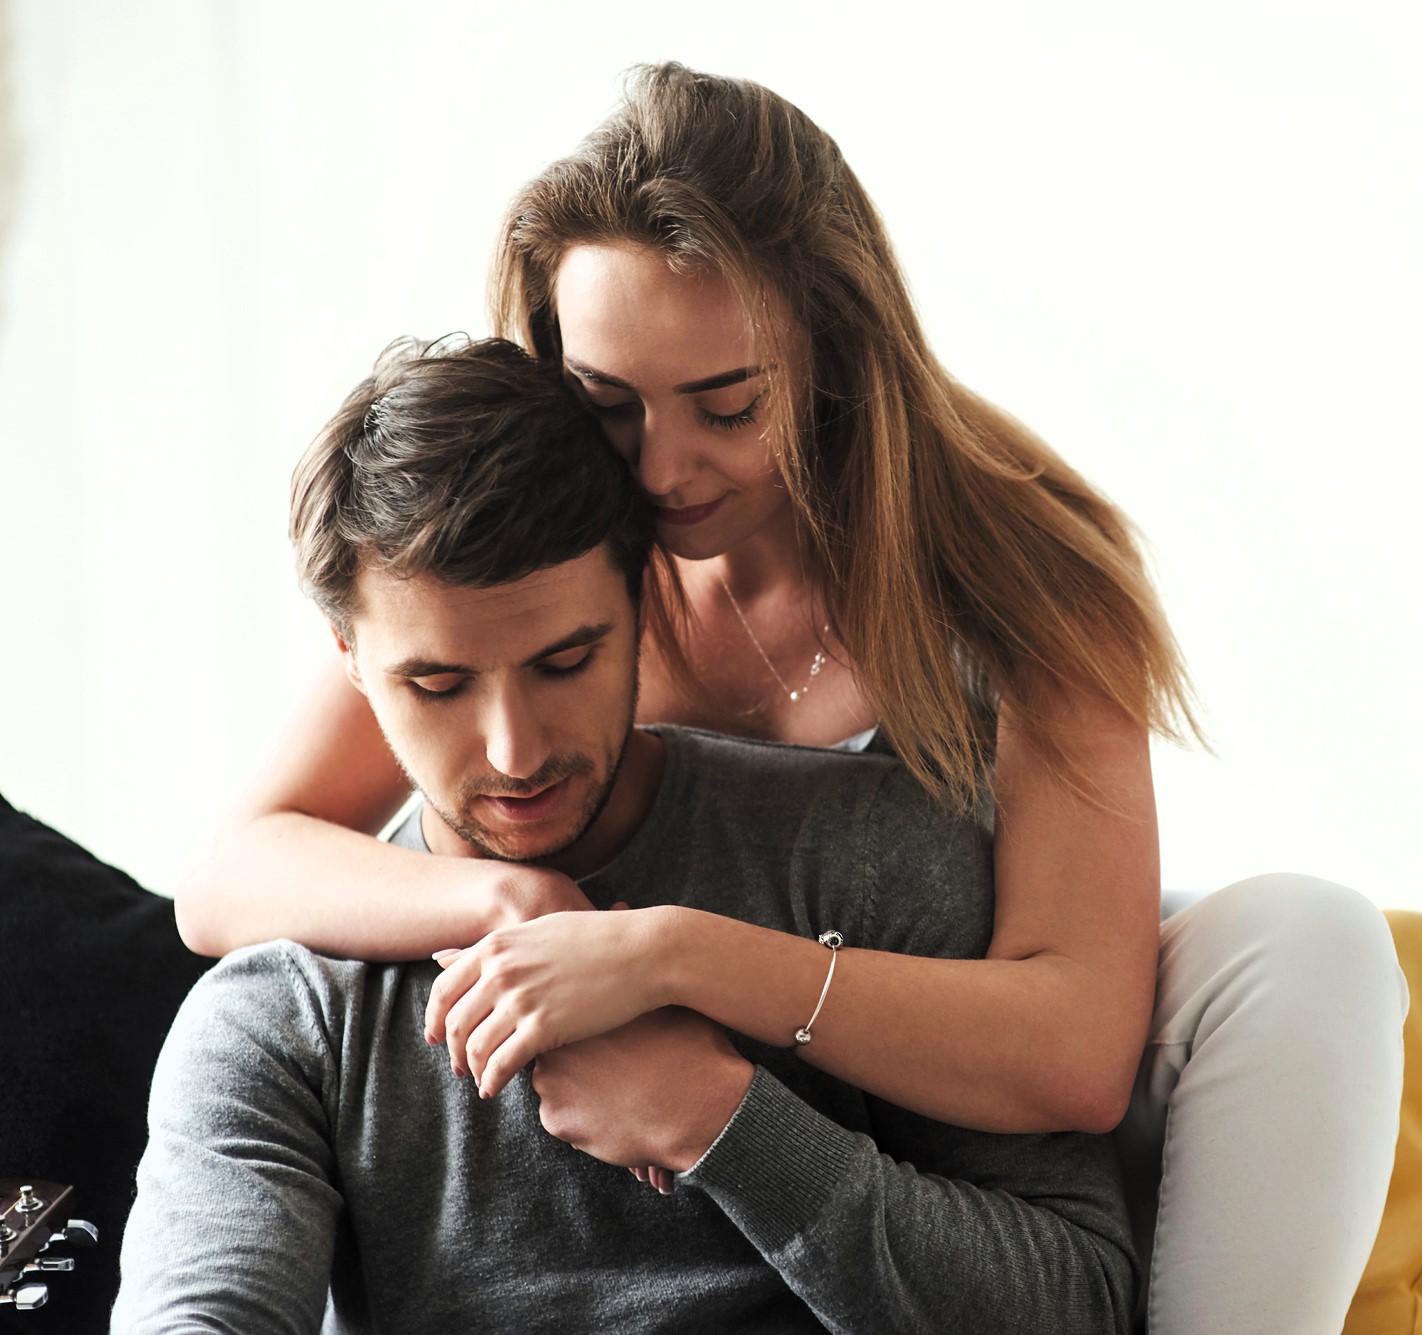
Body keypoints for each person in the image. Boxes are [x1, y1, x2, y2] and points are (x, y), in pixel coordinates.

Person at [171, 63, 1407, 1330]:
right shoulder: (545, 570)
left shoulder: (1019, 572)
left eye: (725, 405)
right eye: (608, 405)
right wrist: (520, 900)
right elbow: (228, 877)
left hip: (961, 1037)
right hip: (689, 1111)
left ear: (829, 352)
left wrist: (675, 953)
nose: (662, 469)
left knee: (1303, 942)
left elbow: (1078, 1054)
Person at [112, 337, 1136, 1334]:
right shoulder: (287, 1020)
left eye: (565, 662)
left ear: (641, 598)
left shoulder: (866, 858)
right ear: (348, 656)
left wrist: (726, 1123)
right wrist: (517, 905)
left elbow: (1079, 1302)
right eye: (437, 684)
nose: (513, 753)